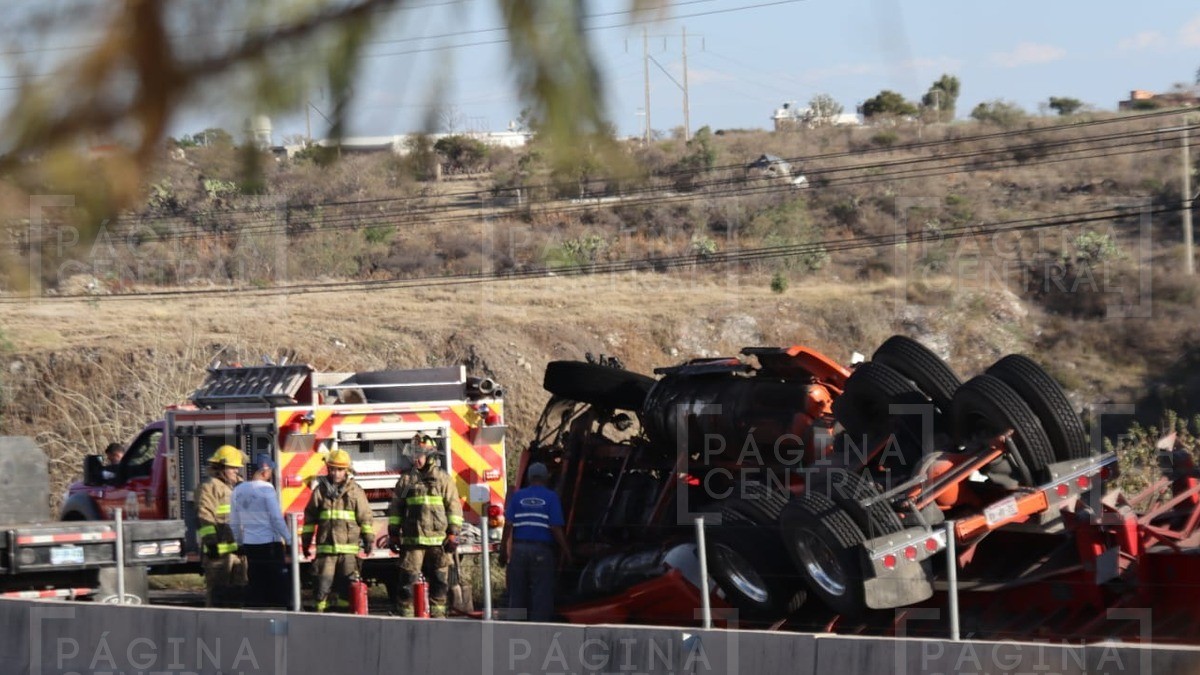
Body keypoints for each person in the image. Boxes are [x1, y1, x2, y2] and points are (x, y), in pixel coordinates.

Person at [387, 434, 463, 618]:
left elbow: (454, 508)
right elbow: (397, 508)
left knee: (440, 582)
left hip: (439, 542)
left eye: (419, 455)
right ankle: (406, 616)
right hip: (413, 542)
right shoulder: (406, 481)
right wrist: (394, 534)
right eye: (413, 454)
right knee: (407, 583)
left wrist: (453, 534)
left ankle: (438, 617)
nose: (415, 459)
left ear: (430, 456)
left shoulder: (444, 480)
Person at [301, 449, 374, 612]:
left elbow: (365, 516)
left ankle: (346, 618)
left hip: (348, 551)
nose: (335, 473)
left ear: (347, 470)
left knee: (347, 590)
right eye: (332, 469)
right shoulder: (320, 491)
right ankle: (320, 617)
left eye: (340, 469)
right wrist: (306, 543)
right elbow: (310, 518)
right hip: (326, 551)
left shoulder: (355, 491)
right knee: (321, 588)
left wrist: (368, 538)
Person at [500, 462, 571, 622]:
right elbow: (555, 527)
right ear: (546, 478)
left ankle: (515, 627)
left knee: (516, 591)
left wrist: (505, 549)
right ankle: (539, 628)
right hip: (542, 551)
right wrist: (566, 551)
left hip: (518, 550)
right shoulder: (551, 497)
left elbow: (508, 525)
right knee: (541, 592)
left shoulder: (518, 496)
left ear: (529, 477)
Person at [230, 453, 292, 609]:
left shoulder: (238, 490)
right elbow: (276, 518)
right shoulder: (266, 488)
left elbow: (234, 522)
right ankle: (279, 610)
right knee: (277, 582)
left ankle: (257, 612)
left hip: (250, 544)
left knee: (256, 581)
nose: (271, 474)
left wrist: (239, 542)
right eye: (270, 470)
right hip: (270, 544)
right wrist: (289, 539)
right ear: (265, 471)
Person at [195, 445, 249, 608]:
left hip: (238, 554)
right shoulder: (209, 487)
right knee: (218, 597)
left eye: (237, 468)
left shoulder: (240, 487)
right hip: (217, 556)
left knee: (239, 596)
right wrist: (211, 544)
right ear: (220, 467)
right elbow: (205, 517)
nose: (236, 472)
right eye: (232, 468)